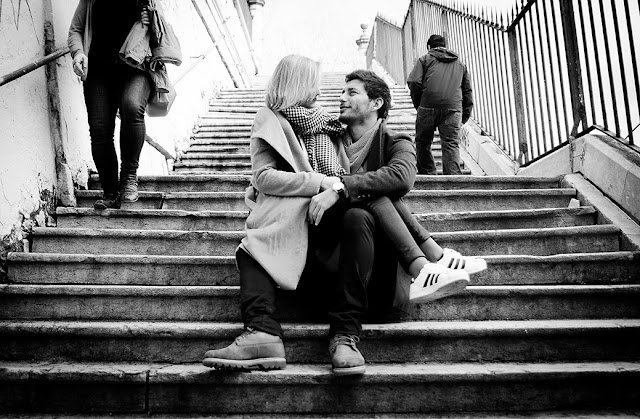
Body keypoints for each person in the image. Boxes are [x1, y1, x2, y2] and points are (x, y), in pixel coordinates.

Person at [202, 60, 483, 376]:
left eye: (351, 92)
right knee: (257, 242)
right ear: (298, 84)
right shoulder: (328, 129)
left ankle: (349, 331)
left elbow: (399, 178)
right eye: (333, 89)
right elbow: (266, 176)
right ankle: (430, 260)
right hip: (318, 246)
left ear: (376, 103)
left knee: (360, 203)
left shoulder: (388, 139)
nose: (333, 96)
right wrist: (328, 183)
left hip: (373, 267)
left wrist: (340, 186)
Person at [68, 0, 154, 209]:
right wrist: (78, 52)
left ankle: (129, 179)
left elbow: (161, 29)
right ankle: (110, 191)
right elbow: (76, 29)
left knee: (132, 106)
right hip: (98, 70)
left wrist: (152, 21)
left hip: (135, 66)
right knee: (100, 129)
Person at [407, 34, 473, 175]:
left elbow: (413, 81)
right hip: (453, 108)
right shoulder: (460, 64)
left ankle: (428, 174)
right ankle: (453, 179)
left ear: (429, 47)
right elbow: (467, 91)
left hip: (427, 105)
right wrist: (464, 115)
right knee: (451, 143)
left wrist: (420, 104)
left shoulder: (424, 60)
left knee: (423, 142)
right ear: (445, 46)